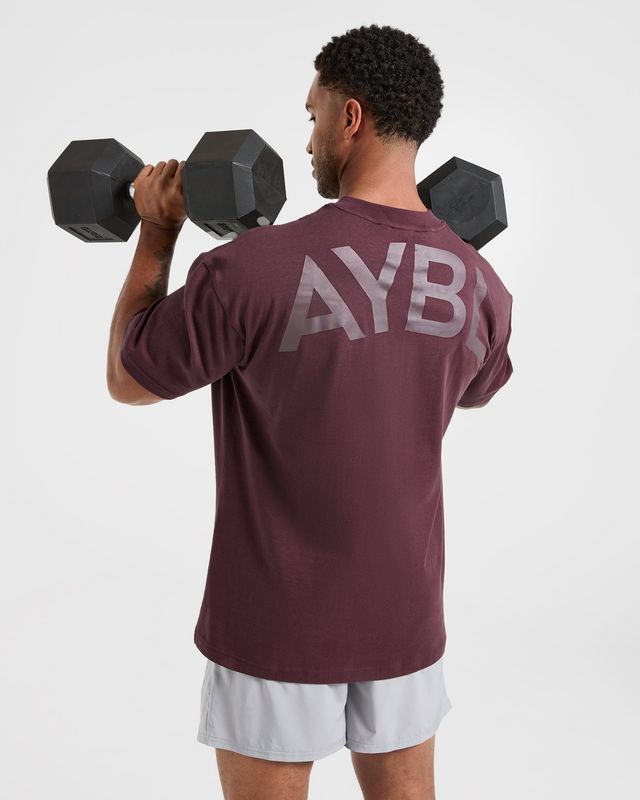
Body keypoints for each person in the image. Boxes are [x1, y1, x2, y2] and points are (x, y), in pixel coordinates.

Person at [107, 23, 514, 800]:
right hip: (404, 615)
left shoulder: (249, 268)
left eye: (312, 115)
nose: (307, 140)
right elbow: (476, 388)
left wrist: (157, 231)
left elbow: (130, 377)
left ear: (349, 118)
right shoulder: (479, 286)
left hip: (276, 621)